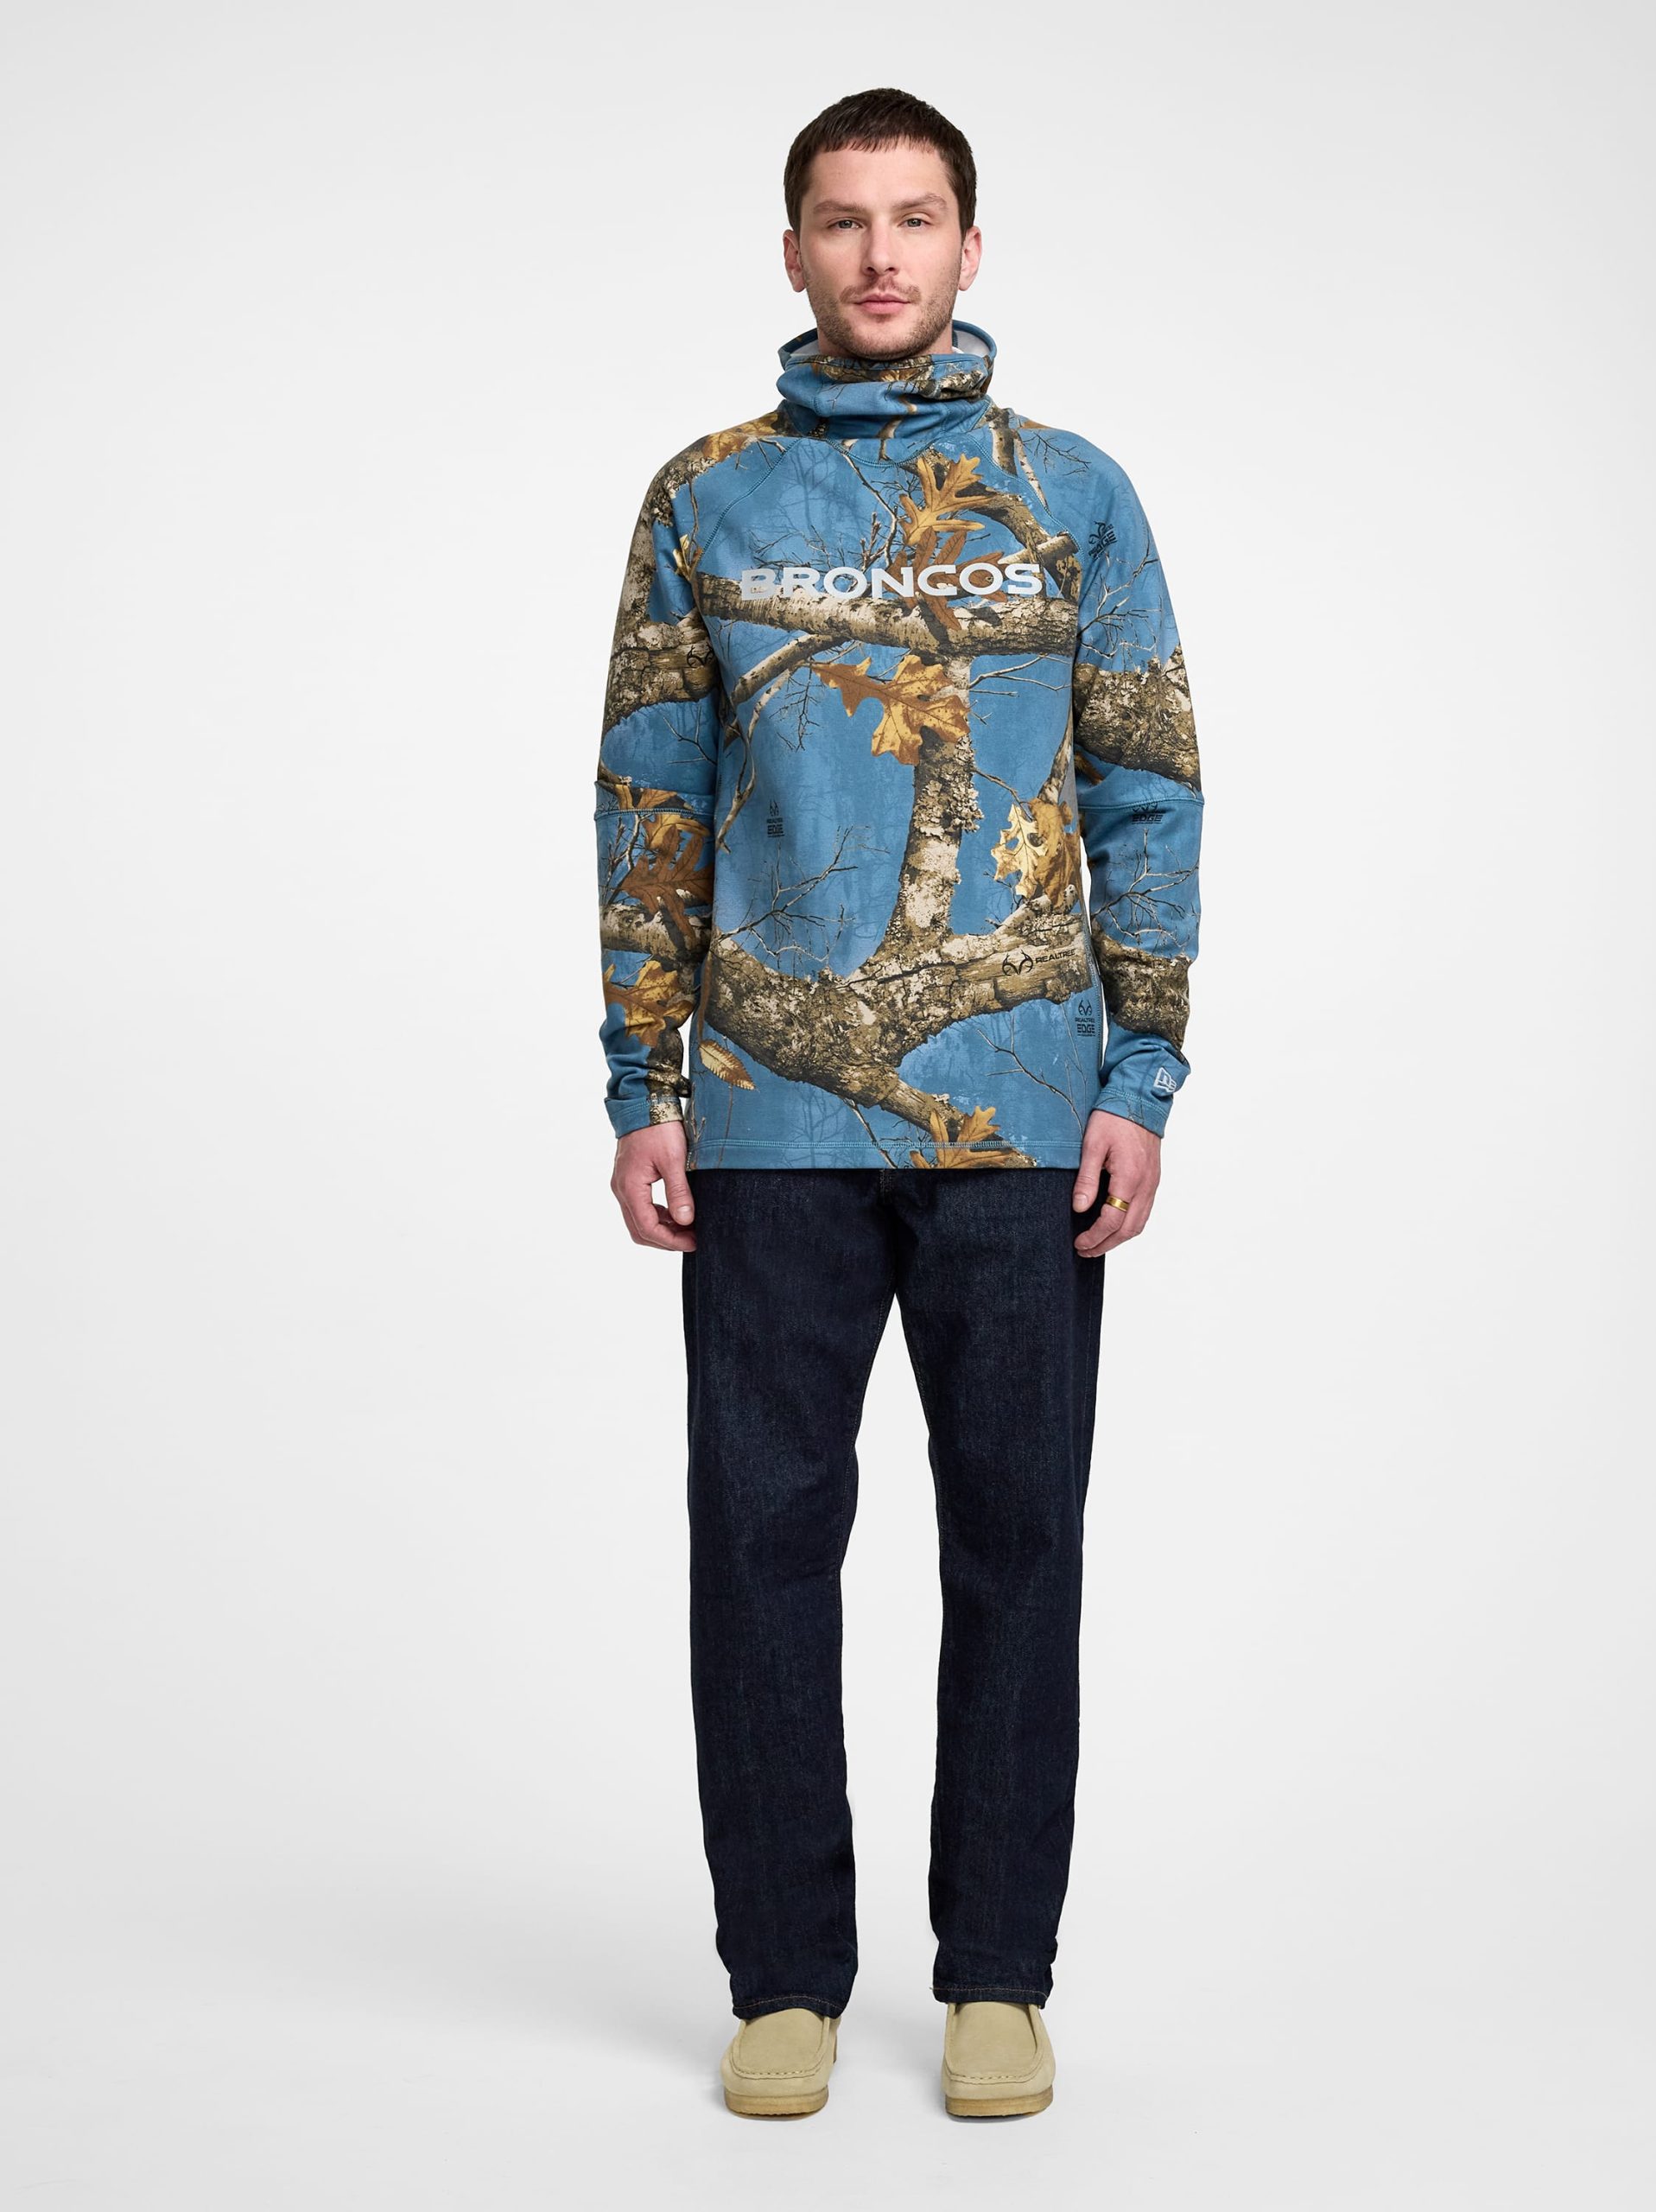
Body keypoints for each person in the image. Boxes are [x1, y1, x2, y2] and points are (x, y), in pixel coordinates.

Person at [594, 86, 1203, 2120]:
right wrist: (640, 1072)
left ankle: (996, 1974)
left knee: (1017, 1540)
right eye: (843, 220)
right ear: (790, 250)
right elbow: (650, 799)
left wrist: (1141, 1069)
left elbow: (1145, 790)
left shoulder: (1068, 496)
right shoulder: (705, 498)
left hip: (1019, 1114)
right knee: (759, 1539)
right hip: (766, 1119)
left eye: (914, 216)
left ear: (967, 245)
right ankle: (782, 1975)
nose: (878, 253)